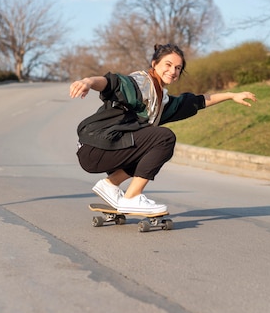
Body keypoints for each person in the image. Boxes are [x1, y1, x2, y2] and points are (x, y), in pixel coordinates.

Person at [69, 43, 257, 214]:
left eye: (178, 68)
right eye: (168, 65)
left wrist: (231, 95)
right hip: (96, 147)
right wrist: (88, 82)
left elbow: (198, 101)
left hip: (104, 149)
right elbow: (112, 82)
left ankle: (110, 185)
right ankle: (132, 197)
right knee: (164, 138)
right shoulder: (140, 84)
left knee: (151, 146)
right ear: (154, 63)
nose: (173, 71)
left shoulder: (161, 102)